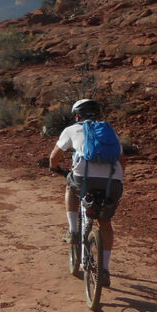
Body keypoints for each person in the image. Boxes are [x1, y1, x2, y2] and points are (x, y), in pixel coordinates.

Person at [48, 98, 125, 286]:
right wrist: (117, 180)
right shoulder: (108, 131)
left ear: (77, 115)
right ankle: (104, 270)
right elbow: (122, 160)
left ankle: (74, 230)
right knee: (105, 223)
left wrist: (55, 168)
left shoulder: (72, 129)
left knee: (70, 186)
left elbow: (54, 156)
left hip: (84, 179)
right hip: (112, 181)